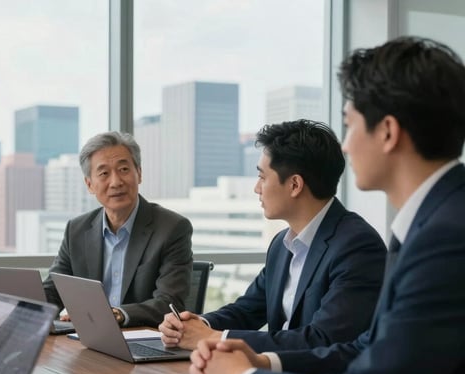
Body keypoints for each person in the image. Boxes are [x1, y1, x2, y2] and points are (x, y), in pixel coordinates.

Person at [189, 36, 465, 374]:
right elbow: (366, 347)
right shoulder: (430, 222)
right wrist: (264, 365)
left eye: (350, 125)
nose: (345, 145)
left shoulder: (447, 237)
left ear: (388, 132)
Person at [160, 120, 386, 352]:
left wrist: (214, 338)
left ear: (295, 185)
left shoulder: (357, 246)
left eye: (262, 177)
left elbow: (323, 340)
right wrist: (198, 325)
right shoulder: (282, 244)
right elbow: (247, 310)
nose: (257, 188)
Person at [42, 131, 193, 328]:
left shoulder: (172, 228)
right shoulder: (77, 230)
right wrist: (15, 305)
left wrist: (117, 314)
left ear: (139, 173)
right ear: (89, 184)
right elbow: (54, 289)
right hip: (90, 341)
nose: (116, 182)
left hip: (144, 343)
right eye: (104, 173)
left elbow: (169, 303)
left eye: (123, 169)